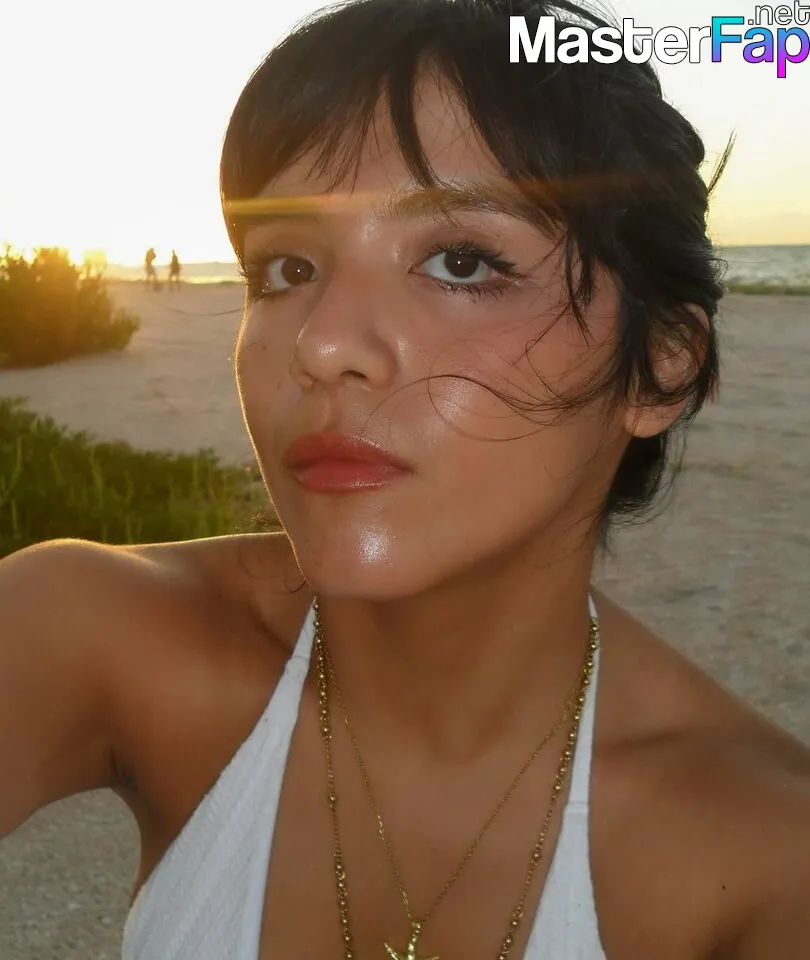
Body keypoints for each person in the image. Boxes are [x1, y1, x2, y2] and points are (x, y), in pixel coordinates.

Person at [2, 1, 809, 958]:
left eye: (461, 262)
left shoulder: (767, 858)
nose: (322, 343)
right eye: (287, 267)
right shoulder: (94, 630)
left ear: (661, 366)